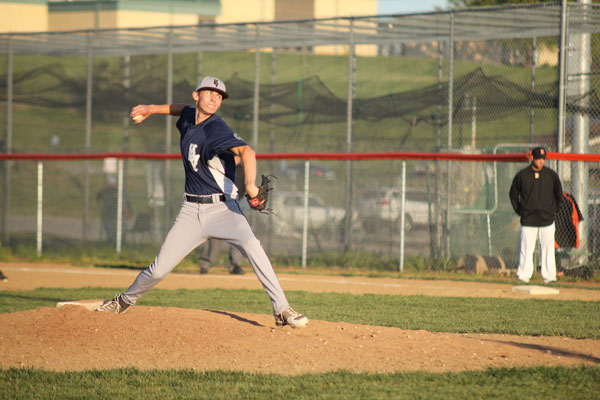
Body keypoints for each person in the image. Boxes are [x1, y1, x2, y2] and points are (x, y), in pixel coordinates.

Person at [95, 76, 308, 328]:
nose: (215, 98)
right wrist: (151, 110)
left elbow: (247, 151)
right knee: (159, 270)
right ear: (196, 96)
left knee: (254, 248)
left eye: (219, 96)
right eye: (210, 93)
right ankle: (124, 300)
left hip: (224, 209)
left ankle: (282, 309)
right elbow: (179, 109)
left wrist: (250, 186)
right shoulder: (188, 118)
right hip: (190, 211)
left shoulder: (216, 128)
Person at [509, 146, 563, 284]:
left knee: (548, 249)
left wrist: (554, 210)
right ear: (532, 158)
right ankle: (523, 275)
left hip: (547, 219)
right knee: (526, 249)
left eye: (543, 159)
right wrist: (520, 211)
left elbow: (559, 194)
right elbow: (513, 194)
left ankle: (550, 276)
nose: (541, 161)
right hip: (528, 220)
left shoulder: (551, 175)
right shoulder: (522, 175)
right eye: (538, 158)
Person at [198, 164, 246, 275]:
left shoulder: (242, 168)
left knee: (239, 233)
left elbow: (245, 186)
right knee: (215, 234)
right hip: (219, 201)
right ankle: (206, 264)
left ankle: (235, 265)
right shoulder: (223, 164)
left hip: (236, 203)